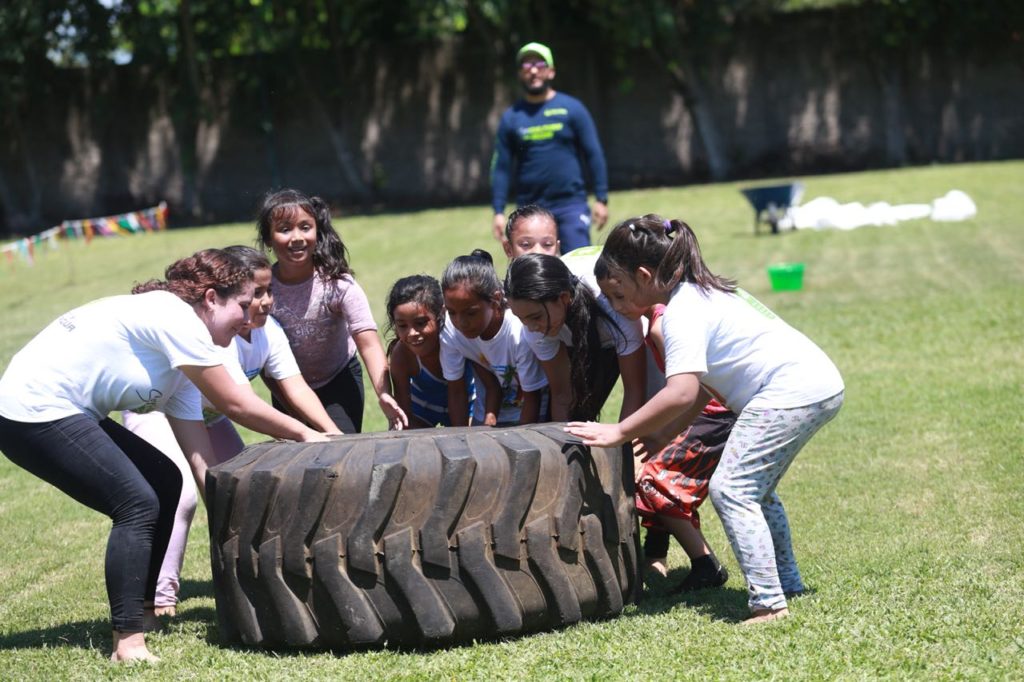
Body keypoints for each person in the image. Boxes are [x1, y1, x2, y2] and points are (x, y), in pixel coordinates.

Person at [0, 249, 328, 663]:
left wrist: (231, 518)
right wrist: (304, 433)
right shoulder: (175, 317)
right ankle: (128, 642)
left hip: (67, 409)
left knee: (166, 480)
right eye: (243, 306)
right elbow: (237, 405)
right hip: (32, 410)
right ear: (211, 298)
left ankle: (145, 611)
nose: (249, 319)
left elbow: (201, 462)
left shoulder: (184, 364)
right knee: (136, 502)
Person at [567, 215, 845, 624]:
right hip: (816, 384)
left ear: (644, 276)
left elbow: (679, 391)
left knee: (733, 489)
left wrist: (620, 430)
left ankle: (769, 602)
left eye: (618, 294)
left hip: (790, 391)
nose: (617, 307)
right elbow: (701, 388)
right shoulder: (698, 294)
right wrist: (664, 433)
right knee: (757, 492)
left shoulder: (682, 312)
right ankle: (787, 582)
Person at [123, 245, 340, 616]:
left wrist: (333, 433)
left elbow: (295, 386)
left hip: (208, 417)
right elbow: (238, 403)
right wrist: (304, 434)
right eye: (255, 294)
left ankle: (252, 577)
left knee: (237, 492)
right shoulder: (215, 332)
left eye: (269, 290)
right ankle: (159, 597)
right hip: (159, 411)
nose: (266, 301)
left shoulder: (268, 331)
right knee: (181, 496)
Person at [257, 188, 407, 433]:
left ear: (317, 230)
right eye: (285, 229)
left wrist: (384, 394)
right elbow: (262, 357)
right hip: (287, 385)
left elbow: (368, 343)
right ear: (268, 239)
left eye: (305, 227)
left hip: (339, 381)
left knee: (339, 457)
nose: (297, 237)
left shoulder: (337, 284)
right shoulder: (262, 291)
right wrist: (288, 402)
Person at [490, 42, 609, 253]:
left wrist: (601, 197)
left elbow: (593, 154)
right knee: (535, 276)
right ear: (520, 74)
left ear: (551, 71)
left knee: (579, 268)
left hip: (571, 204)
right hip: (530, 210)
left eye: (539, 64)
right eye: (526, 66)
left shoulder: (572, 109)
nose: (533, 70)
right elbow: (501, 166)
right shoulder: (511, 117)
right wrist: (498, 210)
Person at [505, 252, 645, 422]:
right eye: (521, 318)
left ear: (563, 298)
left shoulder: (615, 305)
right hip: (585, 332)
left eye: (535, 317)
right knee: (578, 414)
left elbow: (634, 390)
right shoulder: (535, 327)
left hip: (640, 327)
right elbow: (562, 395)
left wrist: (622, 439)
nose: (531, 328)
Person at [440, 250, 549, 426]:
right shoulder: (450, 330)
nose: (461, 322)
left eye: (471, 313)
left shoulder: (518, 331)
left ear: (496, 299)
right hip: (486, 416)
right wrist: (460, 440)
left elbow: (532, 399)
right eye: (452, 312)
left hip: (530, 416)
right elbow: (456, 392)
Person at [385, 274, 500, 427]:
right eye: (402, 325)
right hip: (422, 410)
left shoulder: (460, 340)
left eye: (420, 323)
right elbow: (404, 416)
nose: (412, 333)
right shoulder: (402, 355)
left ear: (440, 315)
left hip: (467, 405)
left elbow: (487, 386)